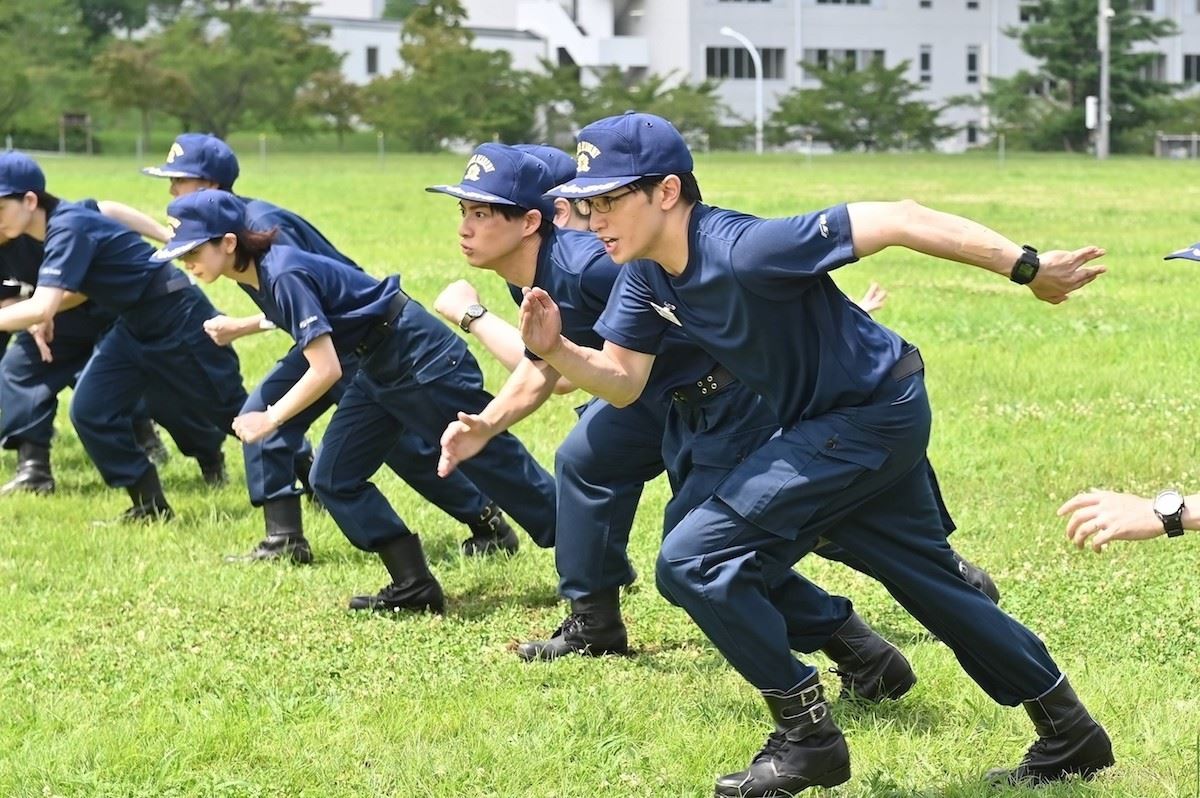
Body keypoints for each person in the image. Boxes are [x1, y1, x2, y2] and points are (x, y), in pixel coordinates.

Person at [520, 112, 1113, 793]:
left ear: (666, 192)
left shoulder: (747, 248)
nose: (593, 217)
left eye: (611, 199)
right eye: (587, 202)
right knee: (931, 584)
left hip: (869, 415)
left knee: (692, 559)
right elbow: (623, 383)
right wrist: (557, 349)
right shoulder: (646, 276)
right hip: (844, 418)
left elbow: (899, 217)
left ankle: (808, 740)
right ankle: (1070, 732)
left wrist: (1028, 266)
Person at [428, 143, 997, 691]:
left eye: (482, 211)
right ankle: (595, 619)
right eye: (463, 210)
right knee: (591, 462)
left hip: (731, 396)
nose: (464, 226)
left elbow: (592, 361)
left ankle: (904, 606)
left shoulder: (590, 268)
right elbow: (551, 363)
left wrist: (474, 319)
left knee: (733, 542)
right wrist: (487, 423)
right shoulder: (528, 272)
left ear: (531, 220)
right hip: (662, 394)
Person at [152, 189, 556, 612]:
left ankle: (591, 560)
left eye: (193, 251)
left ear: (229, 243)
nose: (187, 263)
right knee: (332, 477)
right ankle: (413, 585)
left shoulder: (280, 272)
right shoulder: (256, 275)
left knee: (494, 461)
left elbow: (325, 370)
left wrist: (269, 419)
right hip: (375, 363)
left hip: (417, 356)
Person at [0, 151, 247, 520]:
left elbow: (42, 306)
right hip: (132, 324)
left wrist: (169, 238)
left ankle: (309, 475)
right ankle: (150, 505)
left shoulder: (68, 226)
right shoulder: (56, 228)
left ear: (30, 201)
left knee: (232, 412)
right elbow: (43, 304)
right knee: (90, 411)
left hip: (176, 315)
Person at [0, 202, 172, 495]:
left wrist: (165, 237)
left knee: (111, 376)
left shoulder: (47, 221)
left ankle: (145, 435)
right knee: (19, 369)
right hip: (51, 320)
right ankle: (33, 468)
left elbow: (107, 209)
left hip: (106, 308)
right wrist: (32, 321)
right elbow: (7, 302)